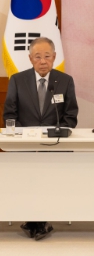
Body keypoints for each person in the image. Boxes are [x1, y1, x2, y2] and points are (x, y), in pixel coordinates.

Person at [3, 36, 79, 241]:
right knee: (28, 177)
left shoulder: (65, 81)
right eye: (38, 56)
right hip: (24, 147)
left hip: (54, 146)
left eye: (47, 56)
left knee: (48, 178)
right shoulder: (17, 80)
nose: (43, 61)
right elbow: (9, 115)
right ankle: (37, 221)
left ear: (54, 57)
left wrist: (57, 133)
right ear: (30, 59)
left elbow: (71, 116)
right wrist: (24, 136)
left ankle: (36, 221)